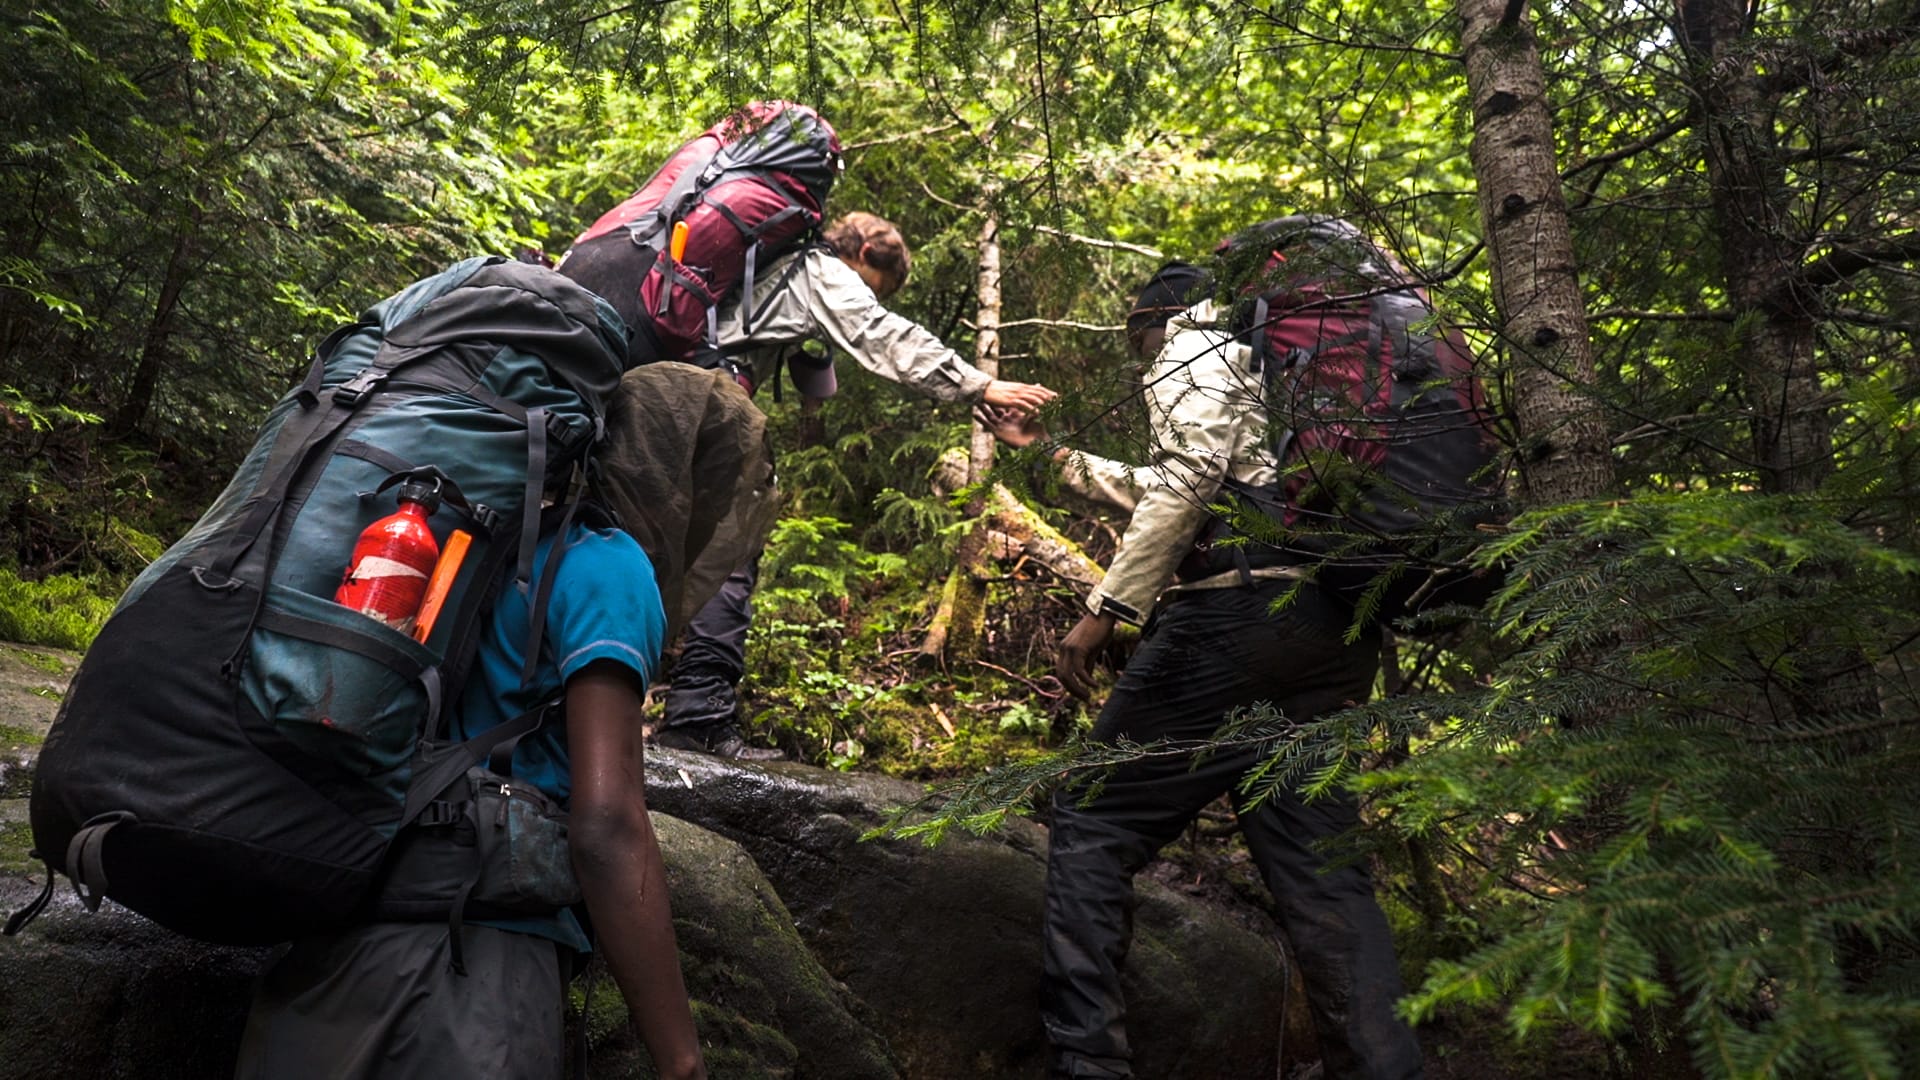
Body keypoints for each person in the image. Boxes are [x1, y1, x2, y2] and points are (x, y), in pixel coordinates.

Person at [232, 365, 773, 1080]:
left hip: (329, 947)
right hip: (467, 975)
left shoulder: (482, 541)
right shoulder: (608, 566)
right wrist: (680, 1056)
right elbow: (607, 824)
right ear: (681, 479)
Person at [983, 261, 1425, 1079]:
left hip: (1235, 617)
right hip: (1330, 625)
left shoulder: (1194, 344)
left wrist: (1107, 609)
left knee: (1095, 819)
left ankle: (1089, 1067)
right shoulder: (1271, 365)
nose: (1142, 359)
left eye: (1137, 342)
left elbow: (1187, 479)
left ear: (1156, 318)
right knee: (1321, 871)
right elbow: (1197, 480)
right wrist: (1050, 460)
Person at [648, 211, 1056, 759]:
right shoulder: (819, 269)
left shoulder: (770, 267)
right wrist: (979, 384)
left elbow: (813, 373)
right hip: (704, 400)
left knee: (651, 545)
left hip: (662, 393)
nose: (865, 295)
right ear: (862, 252)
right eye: (870, 287)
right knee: (730, 554)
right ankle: (698, 718)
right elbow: (880, 333)